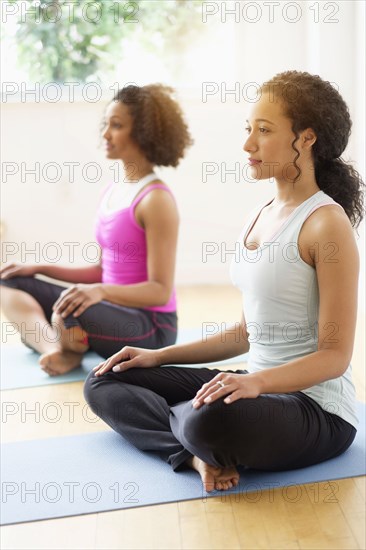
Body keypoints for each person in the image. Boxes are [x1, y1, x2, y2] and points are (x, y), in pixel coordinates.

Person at [83, 71, 364, 492]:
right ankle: (193, 454)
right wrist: (158, 357)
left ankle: (191, 434)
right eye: (248, 129)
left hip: (315, 408)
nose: (248, 144)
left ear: (306, 139)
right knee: (107, 378)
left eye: (264, 131)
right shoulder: (263, 212)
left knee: (207, 418)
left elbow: (334, 357)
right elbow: (247, 332)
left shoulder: (326, 225)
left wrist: (256, 383)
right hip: (253, 385)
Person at [0, 84, 192, 376]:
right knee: (10, 282)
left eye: (116, 126)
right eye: (106, 124)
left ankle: (67, 344)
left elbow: (159, 291)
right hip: (107, 309)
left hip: (151, 327)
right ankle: (57, 350)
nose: (105, 134)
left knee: (67, 311)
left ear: (144, 132)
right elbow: (101, 271)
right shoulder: (113, 191)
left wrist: (99, 292)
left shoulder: (156, 200)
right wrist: (38, 267)